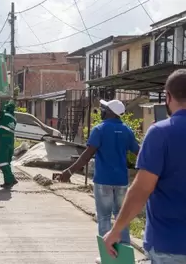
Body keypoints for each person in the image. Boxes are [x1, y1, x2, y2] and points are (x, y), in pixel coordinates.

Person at [103, 69, 186, 263]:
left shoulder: (159, 133)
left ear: (168, 96)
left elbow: (142, 189)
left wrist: (116, 230)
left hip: (167, 242)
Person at [59, 99, 139, 262]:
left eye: (103, 108)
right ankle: (123, 257)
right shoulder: (126, 130)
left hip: (103, 181)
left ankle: (108, 256)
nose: (101, 110)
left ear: (110, 112)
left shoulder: (99, 129)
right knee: (121, 216)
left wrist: (69, 171)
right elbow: (139, 152)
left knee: (104, 217)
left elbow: (87, 155)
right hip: (121, 181)